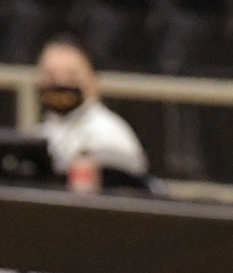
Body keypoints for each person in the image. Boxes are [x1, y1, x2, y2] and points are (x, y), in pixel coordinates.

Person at [35, 36, 148, 180]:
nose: (60, 83)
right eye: (50, 76)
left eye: (72, 76)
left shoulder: (111, 135)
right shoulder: (40, 135)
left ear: (93, 81)